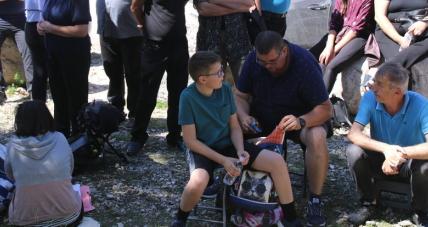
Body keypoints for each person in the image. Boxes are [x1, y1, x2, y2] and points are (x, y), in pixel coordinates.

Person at [171, 51, 303, 227]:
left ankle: (291, 218)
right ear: (203, 79)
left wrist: (240, 149)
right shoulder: (187, 97)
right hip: (202, 149)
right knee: (198, 181)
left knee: (277, 161)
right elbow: (190, 141)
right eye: (218, 72)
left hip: (228, 145)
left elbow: (234, 126)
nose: (223, 74)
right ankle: (180, 219)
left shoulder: (225, 89)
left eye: (222, 69)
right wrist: (224, 161)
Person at [234, 30, 333, 227]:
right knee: (230, 125)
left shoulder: (304, 63)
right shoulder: (254, 60)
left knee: (317, 136)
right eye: (263, 63)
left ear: (284, 51)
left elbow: (326, 109)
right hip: (262, 116)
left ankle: (315, 199)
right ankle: (235, 188)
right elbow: (239, 97)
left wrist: (302, 121)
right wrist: (244, 117)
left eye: (272, 61)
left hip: (299, 118)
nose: (268, 67)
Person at [126, 0, 194, 156]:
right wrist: (143, 27)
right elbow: (136, 6)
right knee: (148, 92)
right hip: (154, 46)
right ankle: (138, 136)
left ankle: (175, 136)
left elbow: (181, 3)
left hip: (179, 45)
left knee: (178, 92)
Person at [346, 63, 428, 226]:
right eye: (374, 81)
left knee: (425, 165)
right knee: (353, 152)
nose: (373, 87)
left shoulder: (420, 105)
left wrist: (400, 154)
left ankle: (420, 211)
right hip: (381, 160)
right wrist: (386, 149)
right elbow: (353, 133)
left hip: (409, 163)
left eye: (379, 84)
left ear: (397, 92)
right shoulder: (370, 97)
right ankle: (368, 204)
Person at [95, 0, 148, 129]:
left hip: (133, 30)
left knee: (134, 74)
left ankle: (135, 113)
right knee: (112, 72)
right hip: (107, 29)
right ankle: (115, 111)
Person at [38, 0, 91, 138]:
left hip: (74, 56)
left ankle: (80, 142)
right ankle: (60, 139)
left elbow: (81, 30)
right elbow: (49, 14)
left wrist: (52, 28)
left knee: (76, 101)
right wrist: (42, 24)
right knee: (59, 99)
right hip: (53, 53)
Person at [5, 101, 83, 226]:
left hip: (26, 222)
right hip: (69, 216)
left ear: (19, 121)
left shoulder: (12, 146)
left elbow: (10, 177)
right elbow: (70, 170)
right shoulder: (60, 138)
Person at [309, 0, 376, 93]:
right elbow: (335, 21)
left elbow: (357, 28)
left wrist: (334, 50)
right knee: (310, 55)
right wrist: (329, 45)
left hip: (359, 37)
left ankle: (321, 104)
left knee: (332, 65)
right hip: (342, 32)